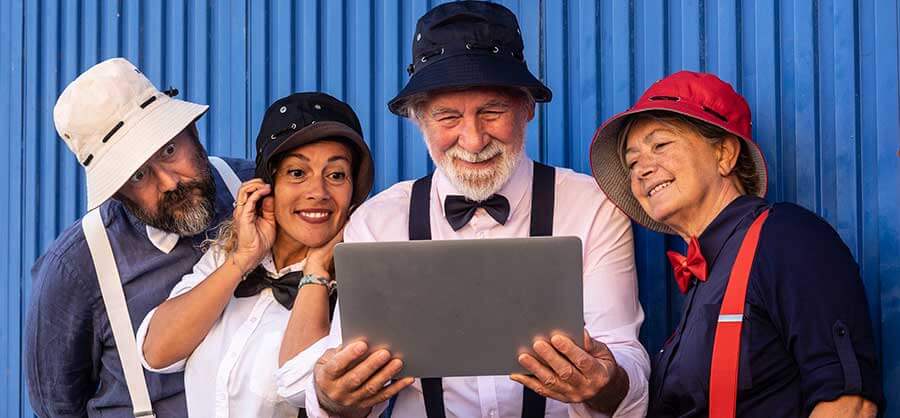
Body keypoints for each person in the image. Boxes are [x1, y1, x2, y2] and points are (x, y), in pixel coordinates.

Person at [293, 2, 650, 417]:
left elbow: (625, 359)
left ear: (527, 108)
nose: (474, 139)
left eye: (492, 112)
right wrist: (332, 399)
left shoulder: (592, 207)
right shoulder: (377, 222)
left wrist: (605, 382)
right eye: (447, 117)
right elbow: (354, 393)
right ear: (419, 121)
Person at [589, 70, 884, 417]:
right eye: (632, 161)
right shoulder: (708, 274)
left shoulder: (788, 237)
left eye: (660, 145)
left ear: (725, 154)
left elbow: (850, 404)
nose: (641, 170)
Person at [24, 58, 254, 417]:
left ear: (192, 130)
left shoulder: (258, 187)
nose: (170, 183)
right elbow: (55, 407)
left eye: (169, 150)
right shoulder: (74, 270)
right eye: (138, 176)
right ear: (116, 192)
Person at [136, 92, 374, 417]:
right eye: (297, 173)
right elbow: (156, 353)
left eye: (335, 175)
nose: (318, 192)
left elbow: (300, 384)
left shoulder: (365, 288)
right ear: (267, 187)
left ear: (353, 191)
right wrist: (242, 259)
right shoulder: (227, 257)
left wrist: (317, 270)